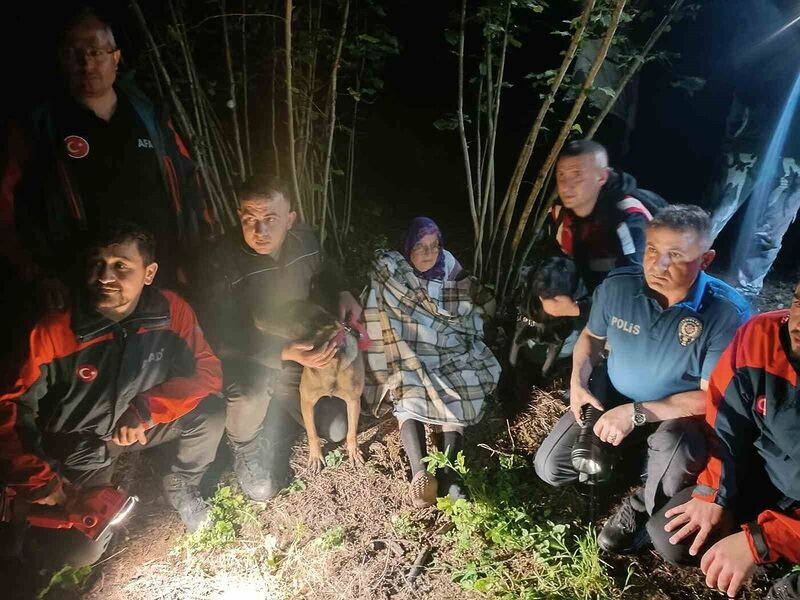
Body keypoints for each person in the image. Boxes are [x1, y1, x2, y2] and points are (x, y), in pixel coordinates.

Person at [0, 221, 225, 572]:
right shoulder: (55, 329)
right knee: (79, 553)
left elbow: (207, 373)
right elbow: (8, 406)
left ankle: (182, 483)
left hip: (135, 425)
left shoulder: (170, 312)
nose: (106, 276)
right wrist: (38, 477)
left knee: (210, 413)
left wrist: (147, 410)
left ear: (148, 273)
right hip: (82, 446)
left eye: (121, 266)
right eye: (97, 264)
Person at [534, 204, 750, 552]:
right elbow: (590, 339)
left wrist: (637, 414)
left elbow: (712, 397)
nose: (657, 265)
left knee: (678, 445)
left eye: (675, 255)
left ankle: (640, 506)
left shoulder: (726, 314)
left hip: (678, 416)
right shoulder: (621, 286)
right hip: (616, 396)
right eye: (652, 250)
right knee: (551, 467)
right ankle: (627, 459)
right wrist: (577, 382)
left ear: (706, 260)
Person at [0, 6, 214, 306]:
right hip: (82, 283)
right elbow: (9, 205)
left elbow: (189, 180)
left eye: (96, 52)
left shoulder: (149, 115)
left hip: (162, 274)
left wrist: (198, 248)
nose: (86, 64)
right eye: (75, 54)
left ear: (115, 58)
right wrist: (36, 271)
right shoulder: (38, 127)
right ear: (62, 60)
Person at [193, 175, 361, 501]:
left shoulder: (304, 240)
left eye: (271, 219)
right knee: (250, 391)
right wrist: (282, 352)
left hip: (301, 349)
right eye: (249, 220)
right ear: (239, 216)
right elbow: (218, 335)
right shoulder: (221, 260)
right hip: (251, 357)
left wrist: (343, 289)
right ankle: (245, 444)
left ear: (290, 219)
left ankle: (286, 403)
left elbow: (326, 268)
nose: (260, 232)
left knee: (337, 430)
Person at [646, 283, 800, 599]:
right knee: (672, 538)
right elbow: (725, 420)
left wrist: (763, 539)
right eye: (799, 300)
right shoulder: (762, 335)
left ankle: (779, 565)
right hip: (767, 475)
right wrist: (715, 494)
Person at [362, 217, 501, 507]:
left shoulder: (447, 263)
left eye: (434, 246)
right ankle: (420, 473)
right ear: (407, 247)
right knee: (409, 390)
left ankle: (449, 475)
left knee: (459, 386)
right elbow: (379, 300)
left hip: (445, 346)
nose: (429, 253)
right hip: (407, 347)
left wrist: (476, 304)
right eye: (420, 247)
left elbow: (467, 295)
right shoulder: (395, 271)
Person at [705, 0, 800, 303]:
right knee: (713, 214)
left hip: (795, 154)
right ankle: (683, 273)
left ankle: (745, 294)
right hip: (752, 136)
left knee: (770, 231)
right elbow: (744, 64)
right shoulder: (769, 16)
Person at [540, 139, 665, 323]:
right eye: (561, 175)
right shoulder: (560, 213)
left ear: (602, 177)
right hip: (596, 281)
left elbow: (635, 289)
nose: (566, 186)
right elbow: (555, 257)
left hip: (647, 291)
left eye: (577, 175)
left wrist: (576, 309)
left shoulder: (628, 218)